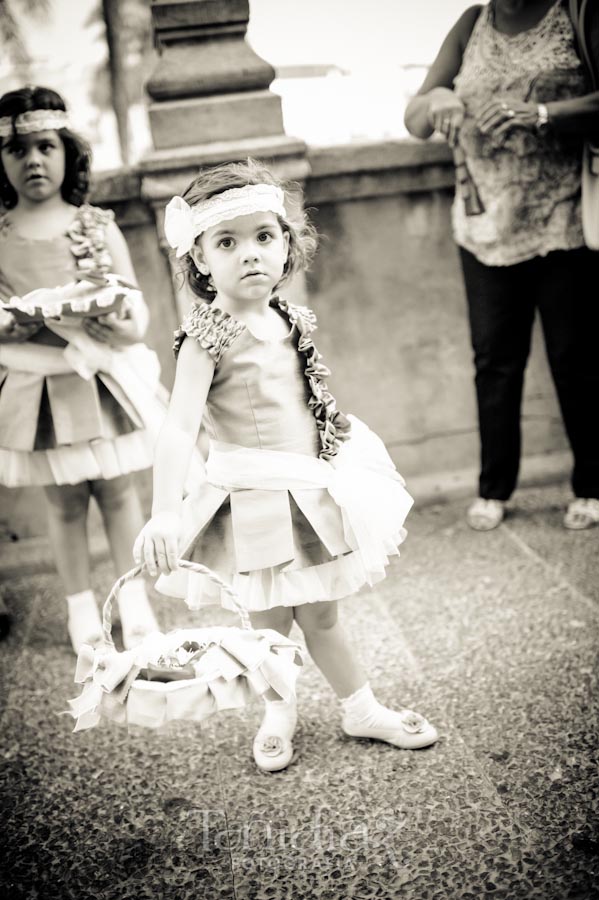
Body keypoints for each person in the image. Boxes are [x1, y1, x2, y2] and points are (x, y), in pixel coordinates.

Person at [133, 159, 438, 772]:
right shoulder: (207, 335)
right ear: (200, 260)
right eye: (227, 242)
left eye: (263, 237)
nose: (250, 253)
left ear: (286, 245)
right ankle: (279, 711)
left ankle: (360, 708)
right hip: (253, 501)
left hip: (305, 491)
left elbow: (304, 397)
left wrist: (330, 439)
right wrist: (166, 510)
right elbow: (179, 426)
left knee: (322, 612)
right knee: (269, 624)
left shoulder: (287, 316)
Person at [404, 0, 599, 531]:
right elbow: (415, 120)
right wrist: (439, 98)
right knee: (494, 361)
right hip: (484, 226)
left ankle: (591, 485)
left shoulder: (574, 13)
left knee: (575, 358)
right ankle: (494, 489)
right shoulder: (473, 22)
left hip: (563, 216)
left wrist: (541, 114)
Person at [0, 86, 160, 651]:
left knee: (117, 493)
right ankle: (80, 610)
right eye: (17, 150)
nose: (34, 161)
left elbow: (132, 301)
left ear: (67, 151)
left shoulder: (94, 226)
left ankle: (135, 604)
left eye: (45, 146)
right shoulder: (0, 235)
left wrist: (125, 327)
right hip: (35, 387)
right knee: (64, 502)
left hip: (97, 380)